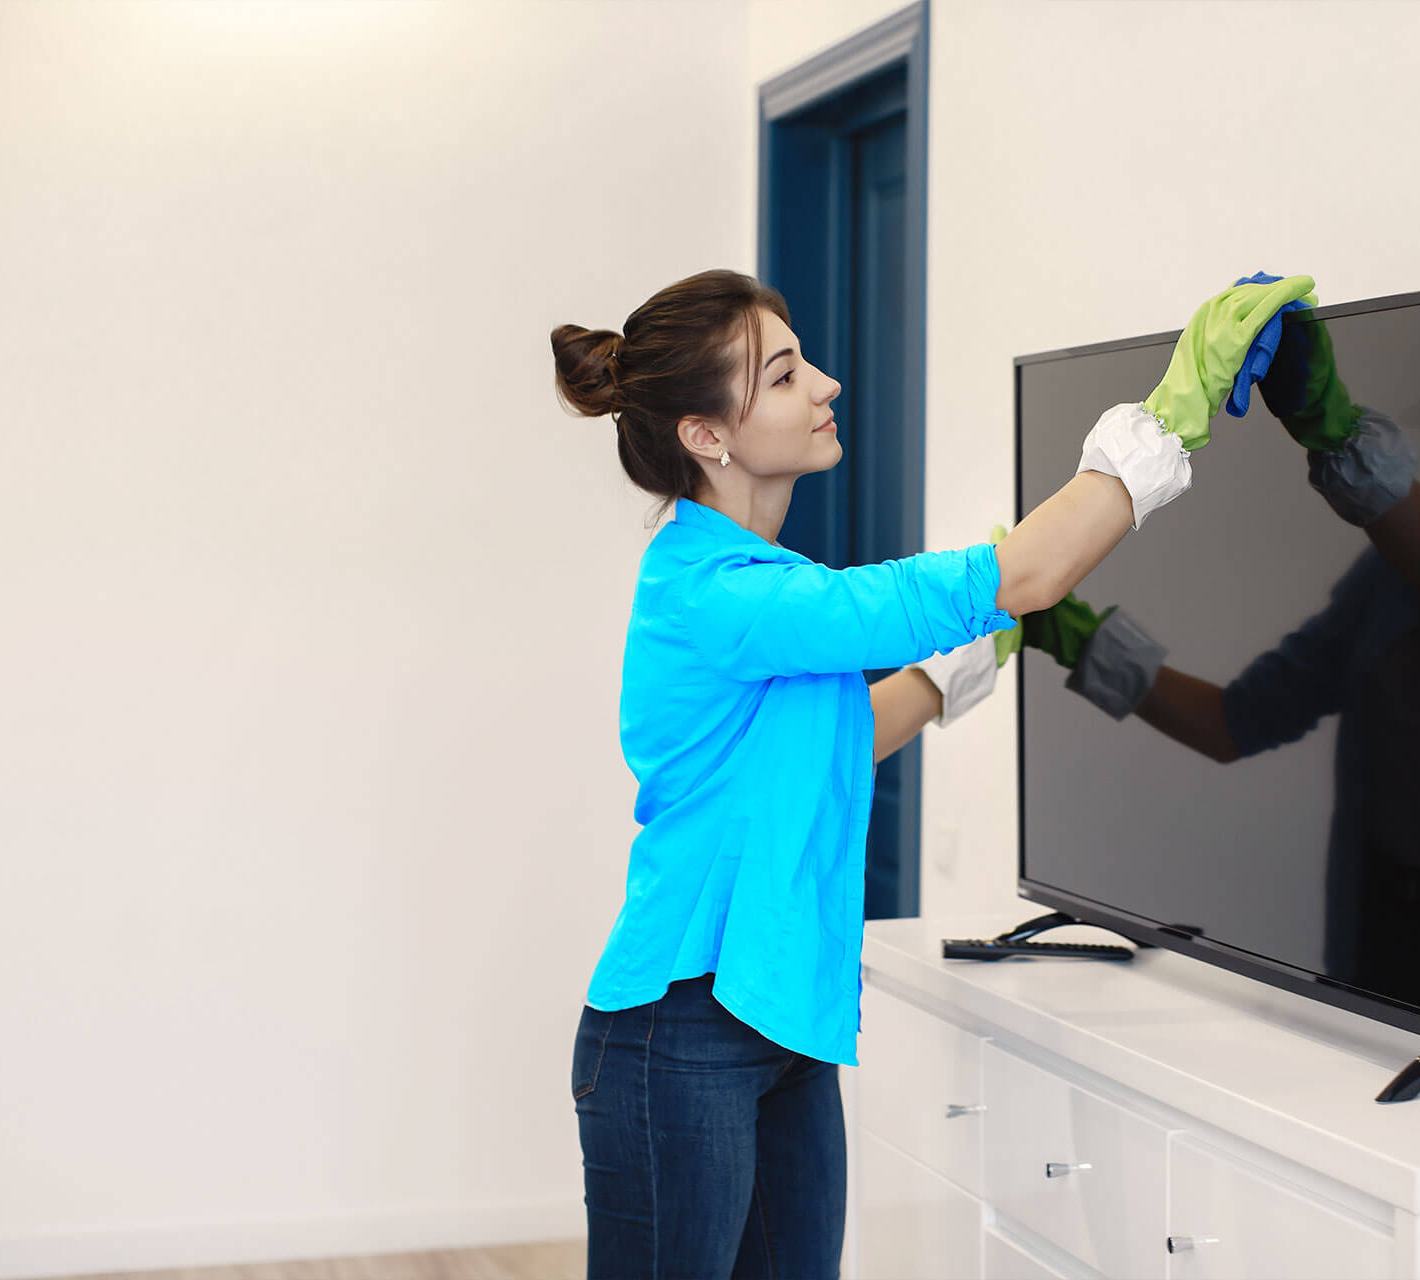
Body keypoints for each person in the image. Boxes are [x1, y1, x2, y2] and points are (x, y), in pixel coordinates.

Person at [549, 266, 1314, 1277]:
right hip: (677, 1030)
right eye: (783, 377)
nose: (824, 383)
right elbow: (1024, 570)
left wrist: (976, 654)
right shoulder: (713, 591)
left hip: (779, 1017)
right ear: (707, 434)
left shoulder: (770, 589)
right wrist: (1172, 411)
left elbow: (826, 744)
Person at [1025, 312, 1420, 1021]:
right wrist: (1069, 632)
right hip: (1374, 925)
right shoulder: (1383, 580)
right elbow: (1234, 721)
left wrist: (1333, 430)